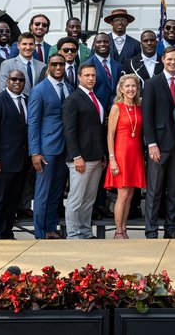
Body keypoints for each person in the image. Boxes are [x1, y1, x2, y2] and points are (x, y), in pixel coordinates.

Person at [142, 46, 175, 239]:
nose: (173, 62)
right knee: (155, 190)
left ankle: (171, 229)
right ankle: (151, 230)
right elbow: (147, 115)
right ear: (163, 59)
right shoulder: (152, 83)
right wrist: (151, 143)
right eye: (169, 59)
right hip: (159, 145)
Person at [27, 52, 71, 239]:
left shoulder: (69, 88)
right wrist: (35, 151)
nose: (58, 68)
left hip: (65, 148)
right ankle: (39, 232)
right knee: (43, 192)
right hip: (46, 149)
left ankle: (51, 229)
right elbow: (33, 122)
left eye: (61, 64)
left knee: (56, 192)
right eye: (54, 65)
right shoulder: (39, 90)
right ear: (48, 67)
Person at [62, 62, 108, 239]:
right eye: (87, 75)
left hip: (96, 157)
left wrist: (102, 153)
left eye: (93, 75)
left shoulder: (95, 97)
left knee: (89, 199)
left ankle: (85, 231)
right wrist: (76, 156)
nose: (90, 78)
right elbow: (69, 130)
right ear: (79, 77)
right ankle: (73, 234)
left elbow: (97, 129)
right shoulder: (73, 99)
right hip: (80, 158)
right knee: (76, 199)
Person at [0, 69, 29, 239]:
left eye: (21, 80)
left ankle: (7, 232)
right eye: (14, 79)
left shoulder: (26, 100)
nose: (17, 82)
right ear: (7, 81)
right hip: (1, 162)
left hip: (20, 162)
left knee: (12, 201)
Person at [105, 74, 146, 239]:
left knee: (129, 195)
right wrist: (112, 159)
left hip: (135, 155)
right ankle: (118, 231)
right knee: (122, 195)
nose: (131, 89)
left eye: (133, 86)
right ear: (121, 89)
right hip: (121, 155)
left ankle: (124, 228)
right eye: (127, 86)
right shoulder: (117, 107)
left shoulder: (139, 106)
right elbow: (110, 135)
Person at [86, 32, 122, 111]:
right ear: (94, 46)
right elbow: (85, 93)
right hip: (96, 111)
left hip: (116, 111)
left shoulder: (118, 66)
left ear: (110, 44)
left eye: (106, 42)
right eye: (99, 42)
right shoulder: (87, 66)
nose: (102, 44)